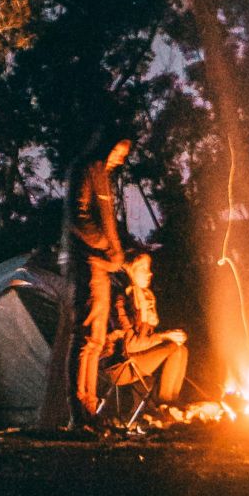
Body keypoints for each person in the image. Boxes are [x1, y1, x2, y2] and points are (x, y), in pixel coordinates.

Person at [65, 134, 131, 421]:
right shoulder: (87, 171)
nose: (121, 158)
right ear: (107, 145)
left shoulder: (103, 177)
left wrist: (118, 254)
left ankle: (89, 408)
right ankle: (81, 408)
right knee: (88, 337)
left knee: (98, 338)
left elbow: (104, 220)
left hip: (103, 265)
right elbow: (78, 216)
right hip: (91, 263)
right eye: (118, 150)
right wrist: (105, 245)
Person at [103, 251, 190, 407]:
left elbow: (146, 340)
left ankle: (171, 403)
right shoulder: (121, 301)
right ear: (130, 271)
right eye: (143, 268)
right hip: (120, 365)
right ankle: (164, 405)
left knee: (181, 349)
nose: (149, 273)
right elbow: (130, 345)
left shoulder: (145, 298)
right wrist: (164, 336)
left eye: (149, 268)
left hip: (137, 359)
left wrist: (170, 335)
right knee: (173, 348)